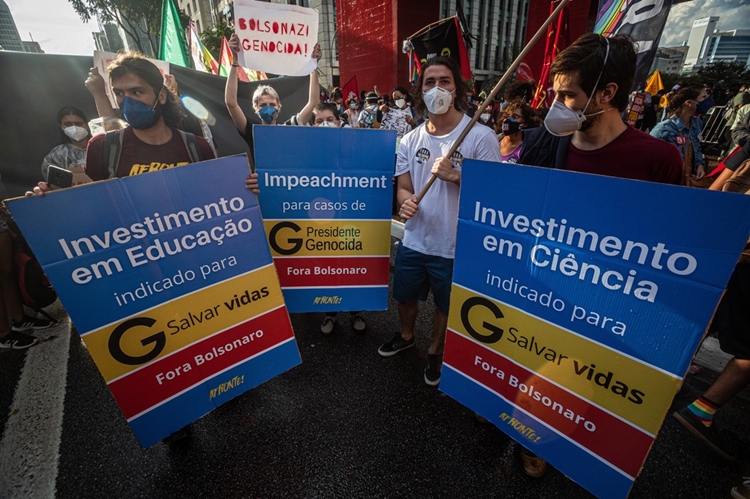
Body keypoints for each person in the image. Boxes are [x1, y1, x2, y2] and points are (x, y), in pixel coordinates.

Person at [518, 33, 683, 478]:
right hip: (543, 292)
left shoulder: (658, 160)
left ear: (607, 93)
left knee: (582, 386)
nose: (555, 106)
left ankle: (563, 443)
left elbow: (669, 248)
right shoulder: (542, 144)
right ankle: (527, 432)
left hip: (608, 305)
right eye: (555, 94)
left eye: (568, 95)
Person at [377, 56, 501, 386]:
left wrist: (457, 176)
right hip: (414, 239)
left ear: (456, 88)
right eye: (429, 82)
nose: (437, 88)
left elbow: (495, 194)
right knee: (405, 296)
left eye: (444, 81)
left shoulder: (480, 137)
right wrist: (405, 203)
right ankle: (407, 337)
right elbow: (404, 188)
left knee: (445, 305)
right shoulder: (410, 139)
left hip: (454, 245)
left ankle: (436, 350)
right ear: (421, 90)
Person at [224, 33, 322, 161]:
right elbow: (231, 103)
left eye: (272, 104)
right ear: (256, 109)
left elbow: (313, 102)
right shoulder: (252, 132)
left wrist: (313, 66)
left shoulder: (288, 128)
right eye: (263, 105)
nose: (268, 108)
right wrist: (235, 61)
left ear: (279, 107)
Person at [650, 86, 707, 184]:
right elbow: (650, 153)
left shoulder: (697, 123)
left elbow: (697, 147)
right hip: (667, 181)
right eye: (703, 97)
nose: (706, 101)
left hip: (688, 180)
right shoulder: (664, 128)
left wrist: (699, 165)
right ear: (688, 103)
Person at [41, 106, 91, 180]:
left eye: (78, 124)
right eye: (68, 124)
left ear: (87, 125)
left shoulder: (101, 148)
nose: (74, 128)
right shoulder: (56, 155)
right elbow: (54, 181)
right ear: (61, 126)